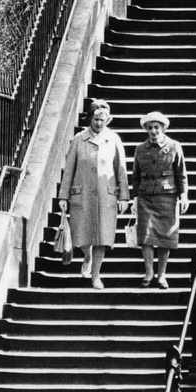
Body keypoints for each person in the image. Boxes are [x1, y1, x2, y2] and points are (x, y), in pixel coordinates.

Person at [58, 98, 130, 290]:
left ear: (108, 120)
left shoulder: (114, 139)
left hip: (106, 196)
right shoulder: (78, 139)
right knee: (81, 234)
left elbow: (121, 169)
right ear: (90, 118)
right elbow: (69, 169)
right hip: (81, 195)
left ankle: (96, 276)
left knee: (102, 236)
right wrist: (63, 196)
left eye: (103, 119)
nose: (99, 123)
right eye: (96, 119)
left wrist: (124, 196)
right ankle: (86, 255)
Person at [131, 111, 189, 289]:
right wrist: (134, 198)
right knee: (146, 237)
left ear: (163, 128)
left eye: (156, 127)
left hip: (167, 196)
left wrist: (184, 195)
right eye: (150, 128)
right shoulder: (140, 149)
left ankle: (162, 275)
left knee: (165, 236)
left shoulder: (174, 146)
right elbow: (136, 175)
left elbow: (181, 173)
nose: (153, 131)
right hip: (145, 196)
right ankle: (149, 273)